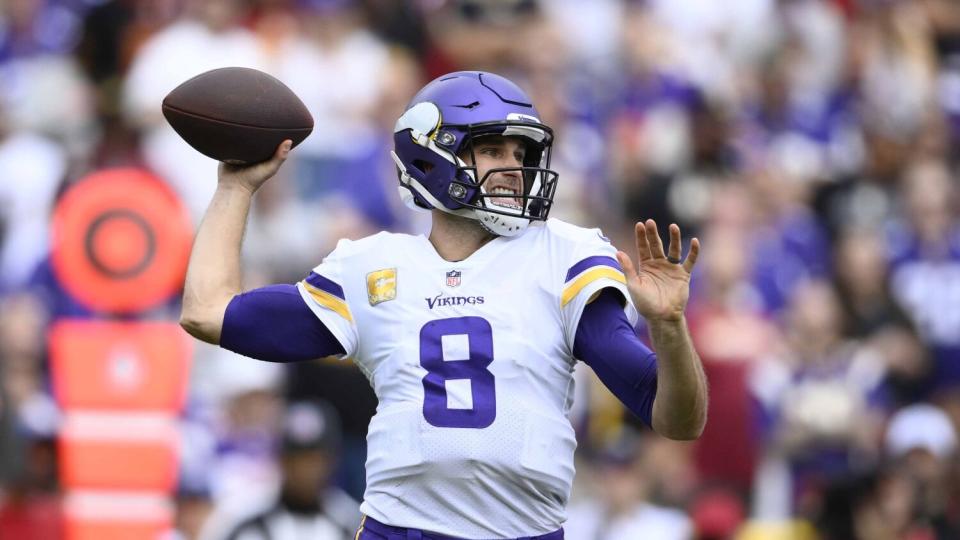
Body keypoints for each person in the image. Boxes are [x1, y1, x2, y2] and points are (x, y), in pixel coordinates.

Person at [179, 71, 708, 539]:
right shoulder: (371, 269)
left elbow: (677, 419)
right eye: (495, 150)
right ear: (434, 155)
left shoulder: (564, 255)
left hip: (525, 533)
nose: (514, 168)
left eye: (521, 155)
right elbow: (209, 311)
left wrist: (669, 326)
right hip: (400, 530)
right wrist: (236, 187)